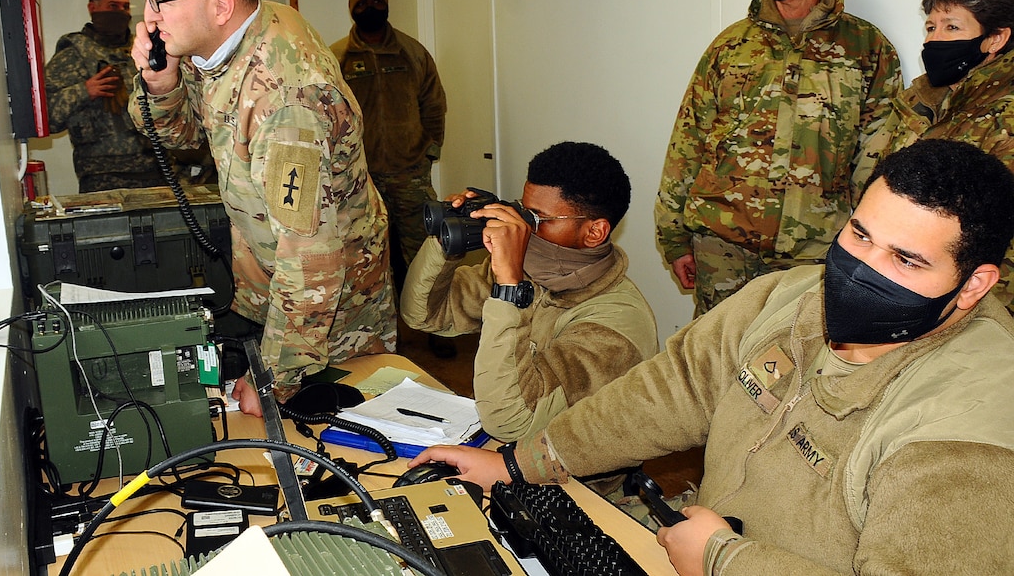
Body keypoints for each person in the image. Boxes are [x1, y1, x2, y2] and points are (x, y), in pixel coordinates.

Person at [412, 138, 1014, 575]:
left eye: (906, 260)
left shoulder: (971, 422)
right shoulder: (787, 298)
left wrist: (726, 560)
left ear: (974, 284)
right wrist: (521, 465)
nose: (861, 270)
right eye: (859, 235)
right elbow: (667, 392)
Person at [128, 0, 397, 412]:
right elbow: (186, 135)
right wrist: (161, 81)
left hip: (329, 313)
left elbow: (312, 256)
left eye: (161, 2)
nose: (150, 19)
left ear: (220, 5)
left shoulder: (287, 98)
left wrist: (275, 378)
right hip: (271, 281)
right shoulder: (223, 40)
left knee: (327, 440)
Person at [654, 0, 902, 315]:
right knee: (711, 360)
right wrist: (674, 237)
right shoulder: (730, 46)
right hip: (721, 244)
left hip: (813, 247)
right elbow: (688, 141)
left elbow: (876, 157)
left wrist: (869, 245)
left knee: (792, 361)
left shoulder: (866, 48)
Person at [400, 142, 658, 448]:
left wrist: (510, 288)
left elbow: (512, 423)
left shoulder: (615, 327)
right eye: (523, 209)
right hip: (508, 450)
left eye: (538, 219)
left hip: (572, 479)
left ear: (594, 232)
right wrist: (447, 237)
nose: (522, 226)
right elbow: (423, 313)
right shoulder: (533, 269)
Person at [855, 0, 1014, 311]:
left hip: (961, 307)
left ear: (996, 39)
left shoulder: (1006, 119)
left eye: (952, 27)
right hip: (886, 282)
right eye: (931, 27)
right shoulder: (918, 101)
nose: (933, 39)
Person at [329, 0, 450, 357]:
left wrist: (429, 149)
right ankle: (373, 334)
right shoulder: (337, 57)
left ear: (388, 5)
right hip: (358, 178)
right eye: (362, 3)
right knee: (365, 256)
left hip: (409, 173)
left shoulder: (412, 53)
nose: (370, 8)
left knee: (427, 251)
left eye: (377, 1)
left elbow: (434, 104)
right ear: (352, 9)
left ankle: (438, 328)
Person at [45, 0, 166, 192]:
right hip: (102, 178)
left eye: (125, 7)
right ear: (93, 8)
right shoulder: (74, 53)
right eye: (113, 6)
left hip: (155, 172)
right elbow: (46, 117)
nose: (120, 12)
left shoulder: (141, 49)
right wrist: (85, 91)